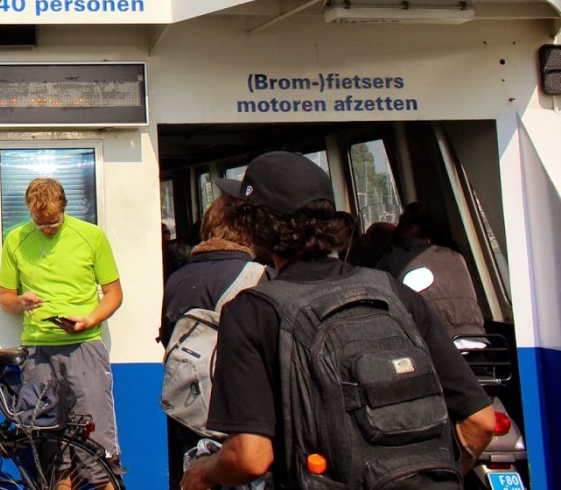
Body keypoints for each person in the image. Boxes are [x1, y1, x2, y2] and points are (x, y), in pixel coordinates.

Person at [181, 152, 495, 490]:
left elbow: (251, 456)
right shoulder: (394, 292)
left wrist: (204, 472)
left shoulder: (253, 312)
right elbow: (481, 422)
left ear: (257, 226)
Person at [0, 177, 123, 465]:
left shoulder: (92, 236)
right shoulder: (15, 239)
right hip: (37, 349)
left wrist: (90, 320)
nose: (48, 228)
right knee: (46, 441)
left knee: (96, 434)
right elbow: (5, 297)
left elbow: (114, 294)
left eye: (54, 221)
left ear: (65, 208)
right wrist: (20, 302)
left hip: (85, 346)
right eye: (41, 224)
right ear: (30, 213)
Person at [158, 194, 268, 477]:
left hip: (189, 408)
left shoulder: (176, 279)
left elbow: (169, 336)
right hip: (241, 414)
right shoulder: (260, 277)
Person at [377, 203, 487, 339]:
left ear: (406, 230)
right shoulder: (456, 256)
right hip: (478, 339)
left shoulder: (396, 261)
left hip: (435, 346)